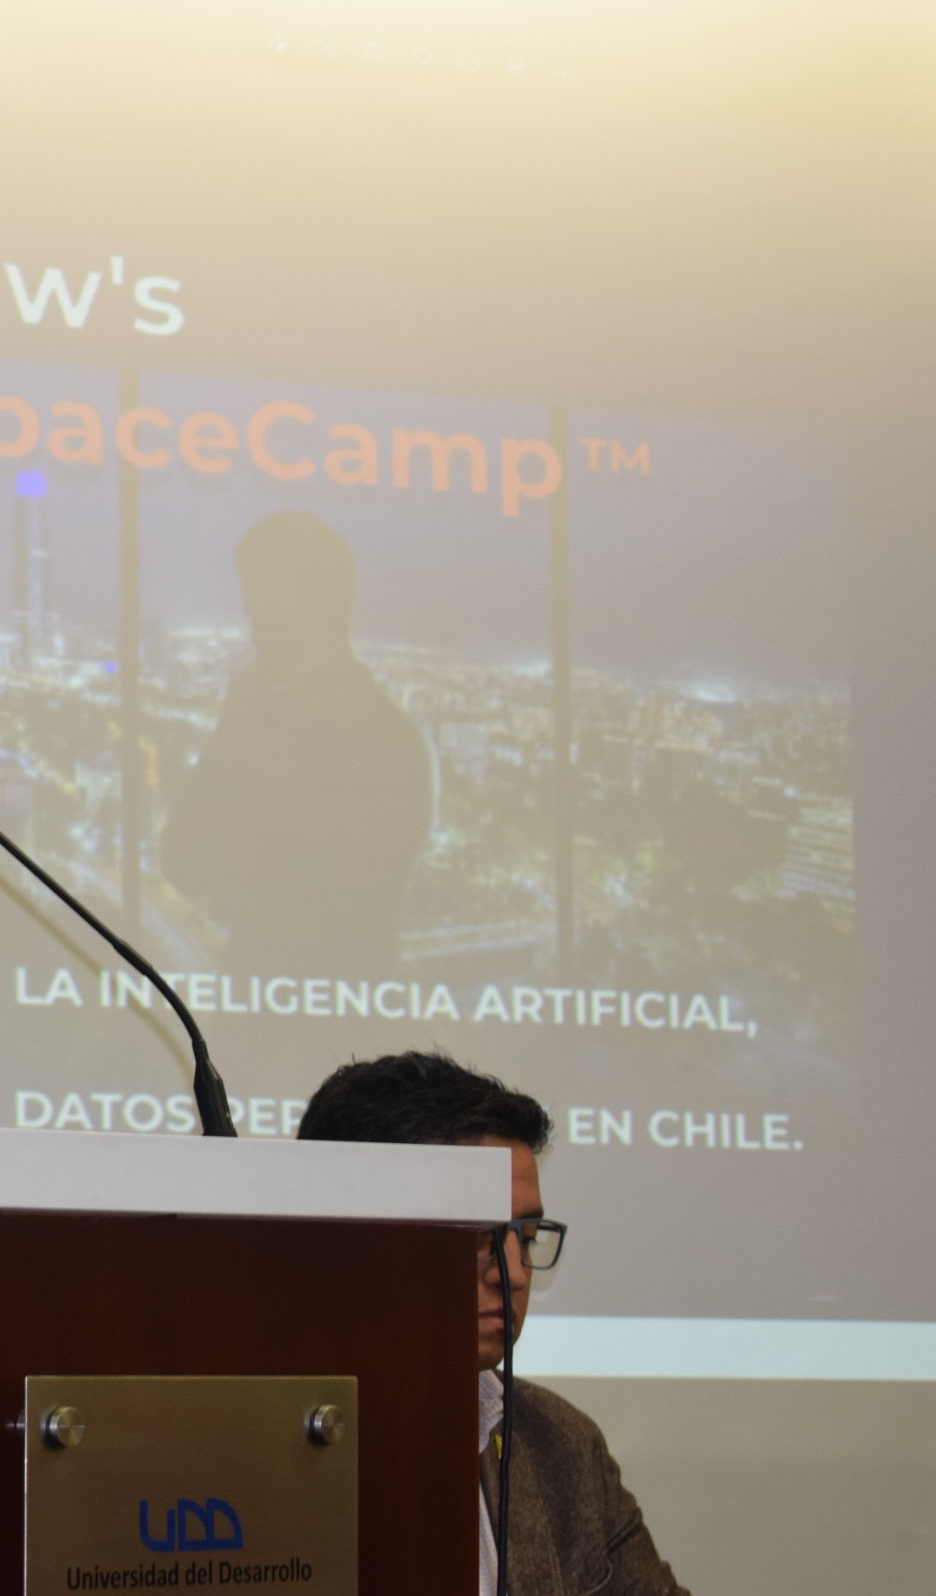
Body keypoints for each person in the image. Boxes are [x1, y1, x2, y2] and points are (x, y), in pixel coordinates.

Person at [299, 1051, 688, 1596]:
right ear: (354, 1234)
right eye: (480, 1234)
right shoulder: (262, 1445)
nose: (515, 1274)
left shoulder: (563, 1445)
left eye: (525, 1238)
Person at [162, 511, 434, 974]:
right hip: (354, 1000)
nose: (251, 622)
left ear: (298, 600)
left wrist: (235, 728)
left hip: (275, 999)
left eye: (258, 600)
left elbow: (185, 861)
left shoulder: (275, 731)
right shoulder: (399, 736)